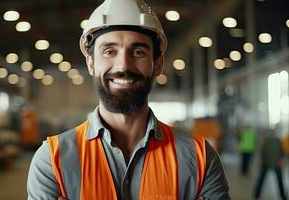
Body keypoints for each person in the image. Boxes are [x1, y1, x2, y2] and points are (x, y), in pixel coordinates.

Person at [27, 0, 230, 199]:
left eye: (138, 51)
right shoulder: (53, 160)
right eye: (109, 51)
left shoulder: (200, 158)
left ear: (157, 65)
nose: (123, 65)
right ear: (91, 63)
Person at [253, 129, 287, 200]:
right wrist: (261, 160)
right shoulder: (268, 141)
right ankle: (256, 195)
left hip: (273, 163)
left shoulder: (276, 141)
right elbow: (262, 152)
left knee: (278, 180)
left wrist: (281, 161)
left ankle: (283, 196)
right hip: (269, 162)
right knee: (262, 179)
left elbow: (281, 152)